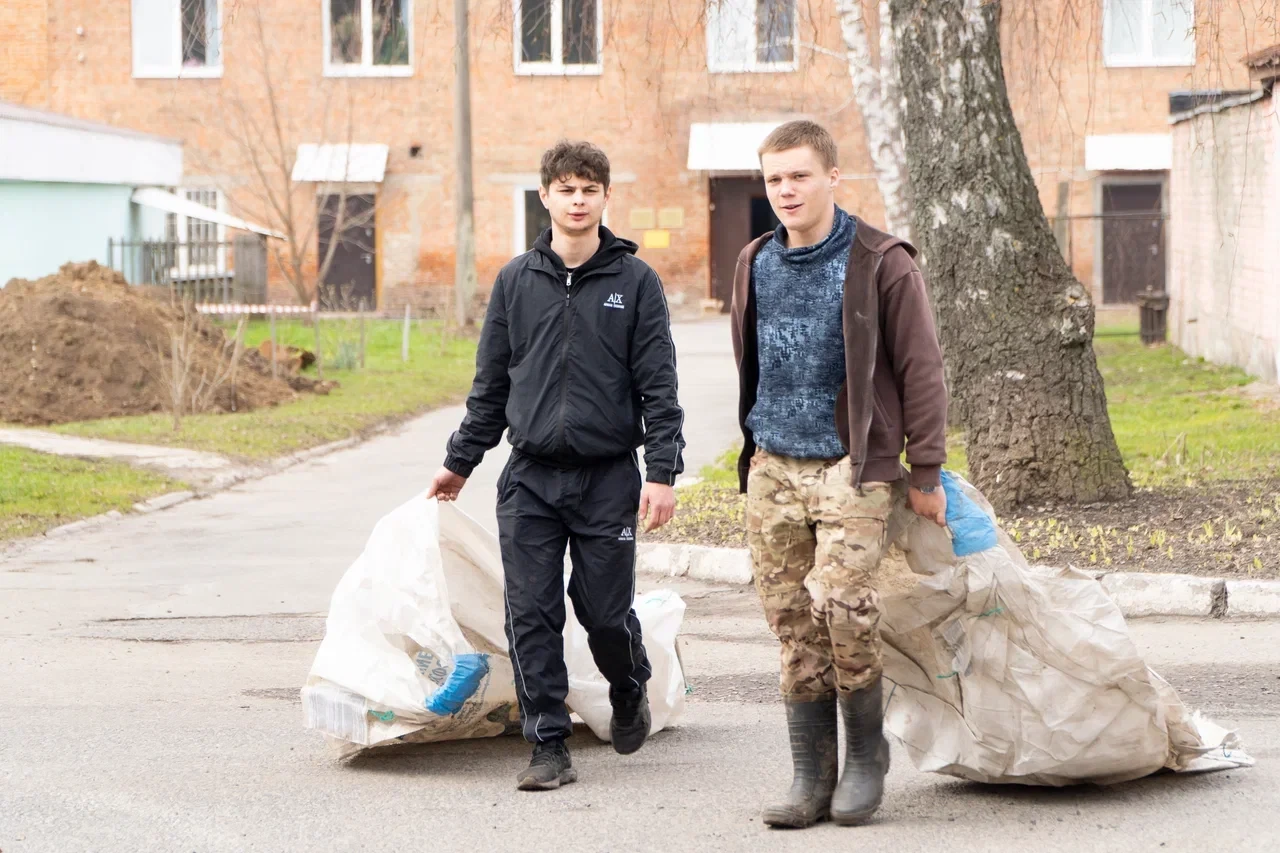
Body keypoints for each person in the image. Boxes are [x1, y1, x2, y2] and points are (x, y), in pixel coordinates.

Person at [426, 140, 685, 792]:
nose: (577, 200)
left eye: (589, 189)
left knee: (603, 611)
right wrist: (460, 462)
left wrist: (662, 472)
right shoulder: (516, 281)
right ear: (545, 196)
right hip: (531, 478)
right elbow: (491, 386)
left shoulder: (636, 282)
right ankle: (547, 742)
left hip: (607, 477)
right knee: (531, 612)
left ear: (605, 197)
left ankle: (628, 683)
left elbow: (659, 386)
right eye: (566, 189)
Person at [729, 120, 949, 828]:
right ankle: (810, 773)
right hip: (773, 464)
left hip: (853, 465)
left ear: (832, 177)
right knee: (792, 621)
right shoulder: (755, 261)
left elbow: (921, 367)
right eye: (774, 179)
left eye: (799, 175)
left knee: (844, 607)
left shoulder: (882, 261)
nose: (786, 190)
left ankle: (865, 757)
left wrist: (926, 468)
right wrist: (755, 451)